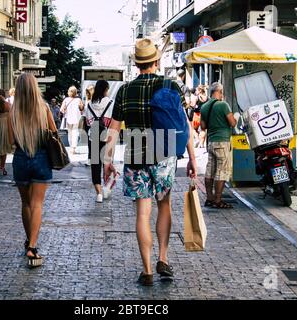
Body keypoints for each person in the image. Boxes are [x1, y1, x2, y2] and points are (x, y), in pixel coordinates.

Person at [103, 38, 197, 286]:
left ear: (136, 64)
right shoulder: (170, 85)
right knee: (164, 205)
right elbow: (183, 124)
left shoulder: (125, 90)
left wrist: (107, 160)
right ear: (156, 61)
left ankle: (146, 270)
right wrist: (192, 158)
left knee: (142, 214)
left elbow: (113, 128)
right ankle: (163, 259)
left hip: (136, 156)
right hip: (164, 156)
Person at [8, 73, 57, 268]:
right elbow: (53, 132)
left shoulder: (13, 111)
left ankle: (29, 241)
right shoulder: (43, 108)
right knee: (37, 204)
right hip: (41, 158)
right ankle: (33, 246)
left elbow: (12, 141)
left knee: (25, 203)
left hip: (20, 158)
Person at [200, 82, 237, 209]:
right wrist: (235, 118)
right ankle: (218, 200)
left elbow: (203, 127)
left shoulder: (204, 106)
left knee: (210, 171)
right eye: (222, 92)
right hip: (222, 142)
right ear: (219, 91)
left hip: (210, 143)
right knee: (222, 171)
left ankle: (209, 198)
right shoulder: (223, 105)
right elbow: (232, 123)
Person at [85, 80, 113, 203]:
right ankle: (106, 188)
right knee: (106, 163)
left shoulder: (90, 104)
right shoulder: (110, 103)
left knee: (95, 165)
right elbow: (114, 122)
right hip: (107, 137)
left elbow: (87, 122)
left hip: (94, 136)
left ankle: (99, 193)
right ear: (106, 89)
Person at [60, 86, 84, 154]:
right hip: (76, 119)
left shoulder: (66, 100)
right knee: (75, 133)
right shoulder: (79, 100)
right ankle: (73, 148)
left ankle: (71, 148)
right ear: (76, 92)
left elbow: (61, 110)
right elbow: (82, 109)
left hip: (68, 119)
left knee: (70, 133)